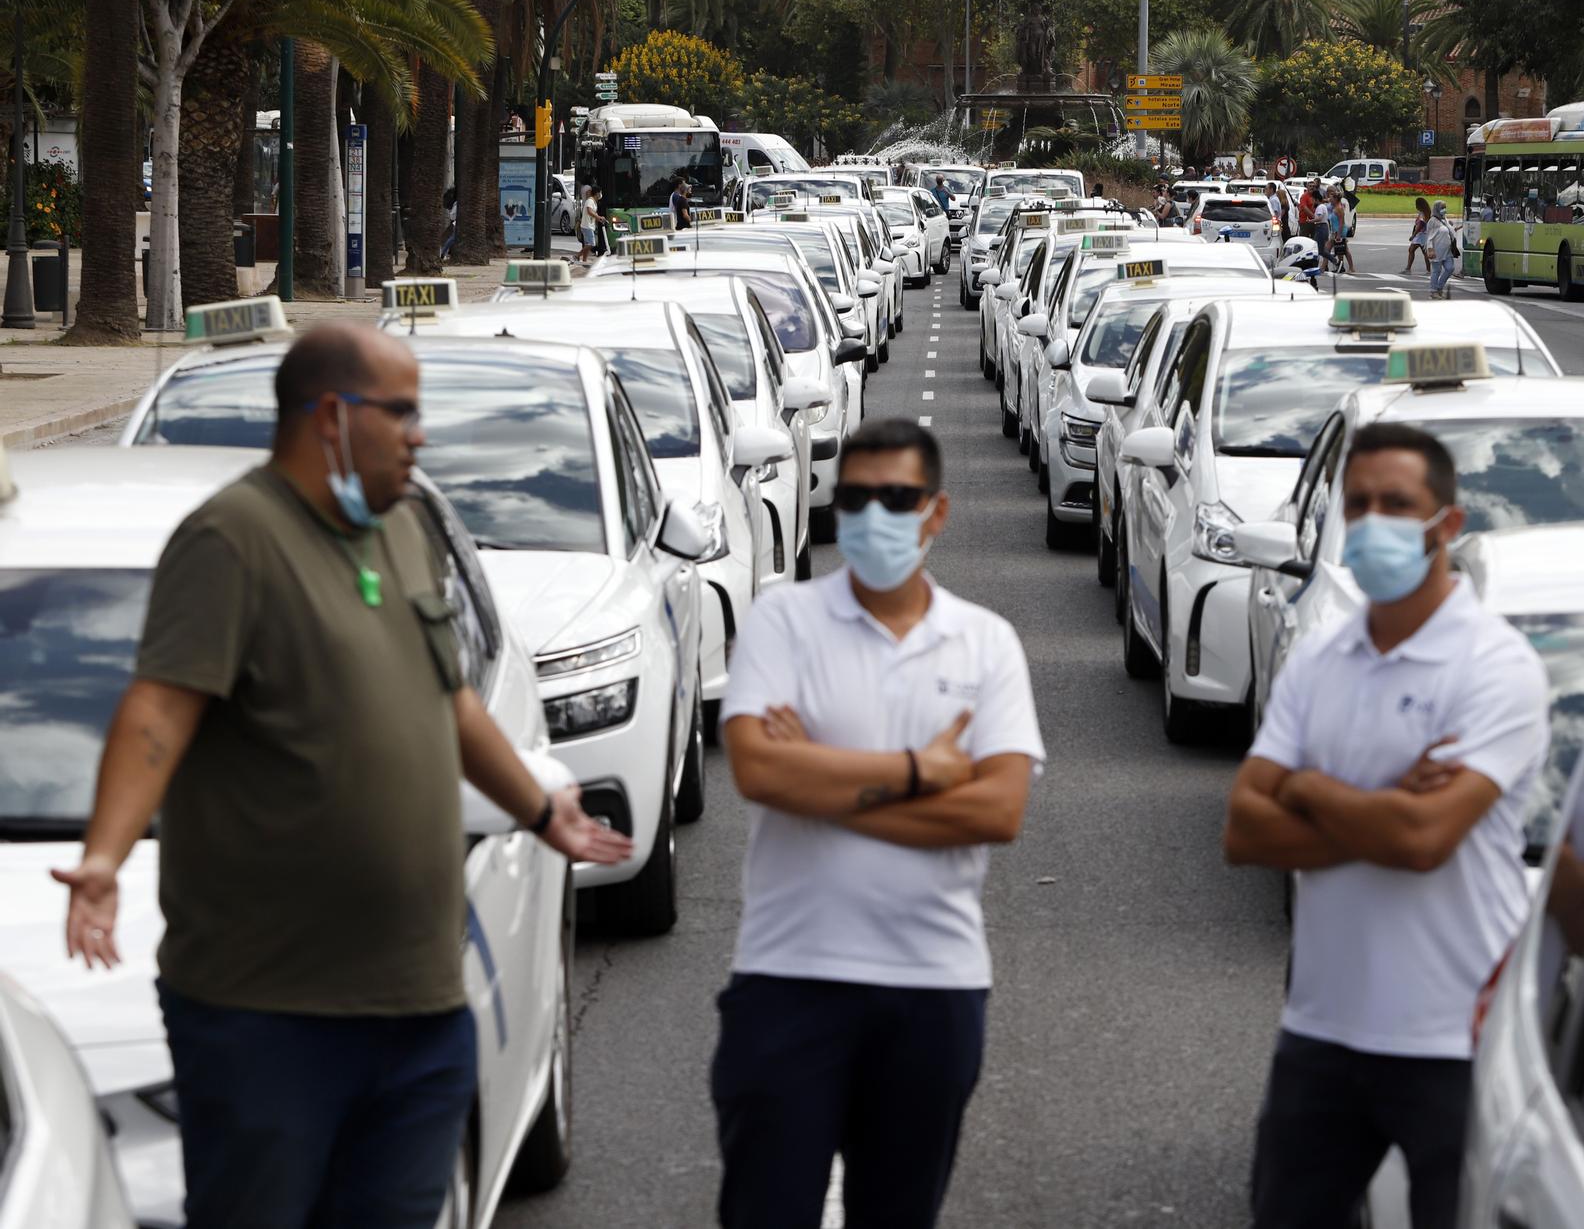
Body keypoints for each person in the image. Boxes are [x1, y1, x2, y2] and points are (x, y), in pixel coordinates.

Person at [53, 323, 632, 1228]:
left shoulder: (401, 529)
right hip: (267, 1014)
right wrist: (102, 856)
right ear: (331, 417)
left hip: (421, 1005)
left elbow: (450, 703)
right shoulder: (232, 540)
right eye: (401, 411)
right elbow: (159, 712)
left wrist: (538, 808)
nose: (420, 434)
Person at [711, 418, 1046, 1229]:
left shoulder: (985, 643)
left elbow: (997, 809)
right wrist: (913, 773)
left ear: (936, 512)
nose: (871, 516)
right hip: (788, 979)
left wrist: (820, 780)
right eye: (854, 497)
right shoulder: (781, 620)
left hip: (934, 988)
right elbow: (759, 770)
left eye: (895, 498)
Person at [1223, 422, 1550, 1229]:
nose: (1373, 523)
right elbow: (1244, 831)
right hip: (1323, 1031)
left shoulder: (1495, 664)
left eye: (1396, 505)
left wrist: (1306, 786)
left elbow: (1423, 841)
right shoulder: (1321, 661)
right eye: (1358, 504)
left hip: (1457, 1037)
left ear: (1448, 523)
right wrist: (1386, 802)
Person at [1426, 200, 1459, 299]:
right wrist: (1430, 249)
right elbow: (1429, 237)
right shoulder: (1432, 221)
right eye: (1442, 208)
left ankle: (1439, 287)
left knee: (1450, 268)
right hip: (1437, 251)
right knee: (1436, 270)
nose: (1444, 210)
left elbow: (1449, 231)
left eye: (1445, 207)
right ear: (1437, 209)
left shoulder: (1444, 219)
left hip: (1447, 251)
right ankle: (1433, 291)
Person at [1405, 196, 1432, 274]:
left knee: (1412, 250)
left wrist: (1413, 235)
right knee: (1423, 252)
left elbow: (1420, 225)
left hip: (1420, 235)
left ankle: (1408, 269)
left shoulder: (1422, 213)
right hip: (1424, 235)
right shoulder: (1426, 212)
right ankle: (1428, 270)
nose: (1415, 206)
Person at [576, 183, 598, 264]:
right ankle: (577, 256)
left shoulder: (593, 201)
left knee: (587, 244)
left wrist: (599, 217)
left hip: (588, 225)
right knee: (591, 244)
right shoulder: (590, 201)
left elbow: (593, 212)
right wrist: (598, 217)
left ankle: (584, 260)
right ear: (597, 193)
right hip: (587, 226)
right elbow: (589, 211)